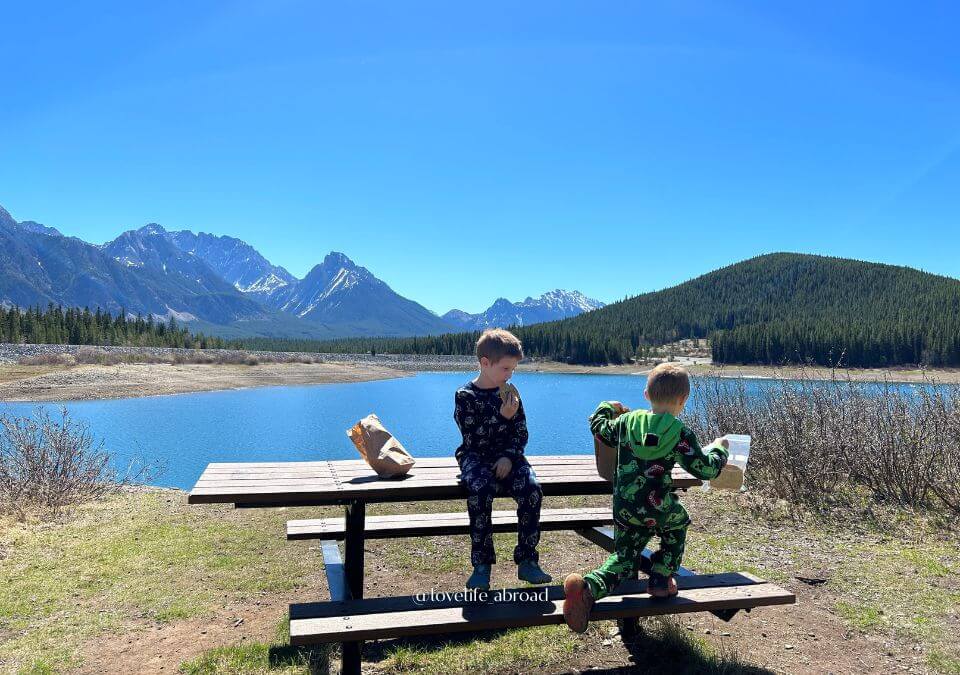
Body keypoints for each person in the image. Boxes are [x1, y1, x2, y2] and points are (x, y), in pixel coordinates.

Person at [562, 362, 729, 632]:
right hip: (657, 508)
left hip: (625, 509)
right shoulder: (680, 434)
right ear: (683, 400)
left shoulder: (626, 423)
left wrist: (607, 406)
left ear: (646, 395)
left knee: (625, 558)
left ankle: (588, 587)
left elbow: (599, 426)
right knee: (678, 521)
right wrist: (721, 450)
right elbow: (706, 469)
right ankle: (661, 577)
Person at [453, 328, 552, 590]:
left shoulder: (511, 394)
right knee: (480, 490)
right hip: (476, 457)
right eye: (505, 368)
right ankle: (481, 566)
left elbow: (521, 433)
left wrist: (509, 456)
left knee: (532, 490)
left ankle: (527, 561)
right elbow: (473, 439)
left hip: (509, 457)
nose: (509, 375)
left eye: (513, 369)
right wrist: (502, 416)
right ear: (485, 363)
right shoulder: (465, 396)